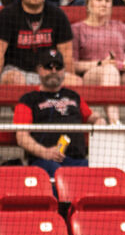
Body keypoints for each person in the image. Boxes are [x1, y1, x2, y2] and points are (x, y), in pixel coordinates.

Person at [13, 48, 105, 176]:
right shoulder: (28, 100)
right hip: (44, 161)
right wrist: (45, 152)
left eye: (58, 67)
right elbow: (22, 137)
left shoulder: (73, 96)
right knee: (58, 173)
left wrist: (99, 120)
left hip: (77, 160)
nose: (54, 71)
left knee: (99, 171)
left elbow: (91, 116)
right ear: (39, 69)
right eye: (48, 67)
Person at [0, 0, 81, 87]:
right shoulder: (7, 15)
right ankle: (19, 107)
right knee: (14, 79)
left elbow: (66, 55)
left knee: (75, 82)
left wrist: (68, 80)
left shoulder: (58, 15)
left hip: (50, 71)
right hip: (16, 70)